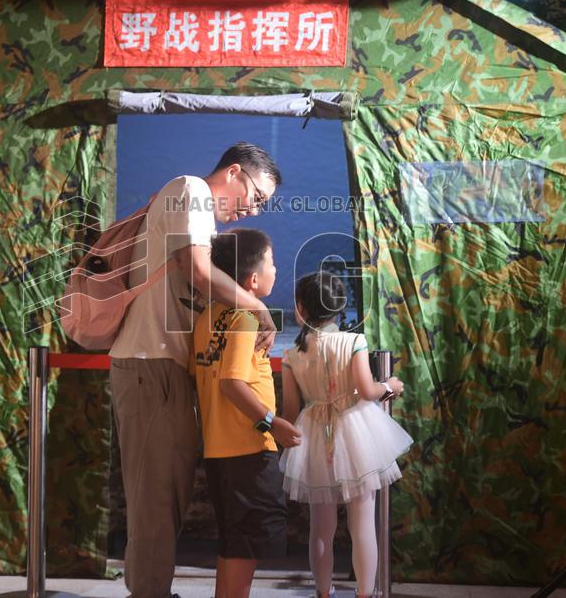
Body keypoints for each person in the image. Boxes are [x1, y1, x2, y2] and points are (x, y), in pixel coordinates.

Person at [108, 142, 282, 598]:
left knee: (169, 496)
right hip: (149, 364)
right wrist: (258, 308)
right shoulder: (190, 191)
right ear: (235, 172)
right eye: (258, 197)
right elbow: (199, 272)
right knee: (155, 500)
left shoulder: (201, 214)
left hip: (167, 368)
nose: (254, 210)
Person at [279, 271, 413, 598]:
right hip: (355, 432)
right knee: (362, 522)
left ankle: (324, 594)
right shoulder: (354, 341)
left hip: (313, 434)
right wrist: (390, 387)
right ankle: (364, 594)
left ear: (301, 309)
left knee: (320, 527)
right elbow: (367, 391)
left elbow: (291, 411)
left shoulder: (292, 354)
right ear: (341, 307)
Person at [190, 228, 302, 598]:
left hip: (219, 451)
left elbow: (202, 375)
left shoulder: (207, 318)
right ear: (253, 279)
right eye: (272, 263)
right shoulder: (245, 319)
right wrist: (274, 423)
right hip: (249, 450)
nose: (277, 268)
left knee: (234, 545)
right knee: (246, 548)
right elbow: (231, 384)